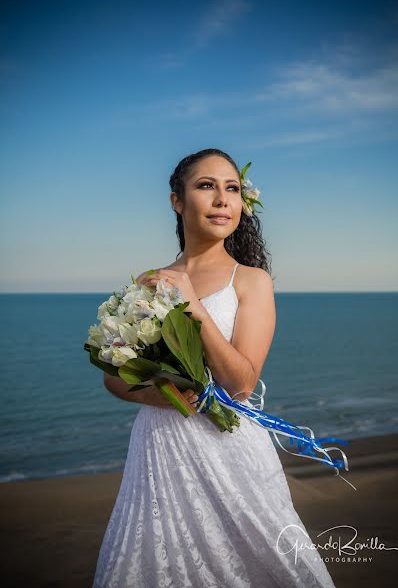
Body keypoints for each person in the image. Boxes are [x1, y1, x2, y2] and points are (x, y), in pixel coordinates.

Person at [92, 148, 336, 587]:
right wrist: (157, 395)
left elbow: (241, 383)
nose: (223, 199)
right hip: (159, 447)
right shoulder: (149, 283)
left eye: (232, 188)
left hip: (231, 447)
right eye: (207, 186)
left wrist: (192, 304)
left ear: (243, 203)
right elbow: (115, 376)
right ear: (177, 201)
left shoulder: (251, 280)